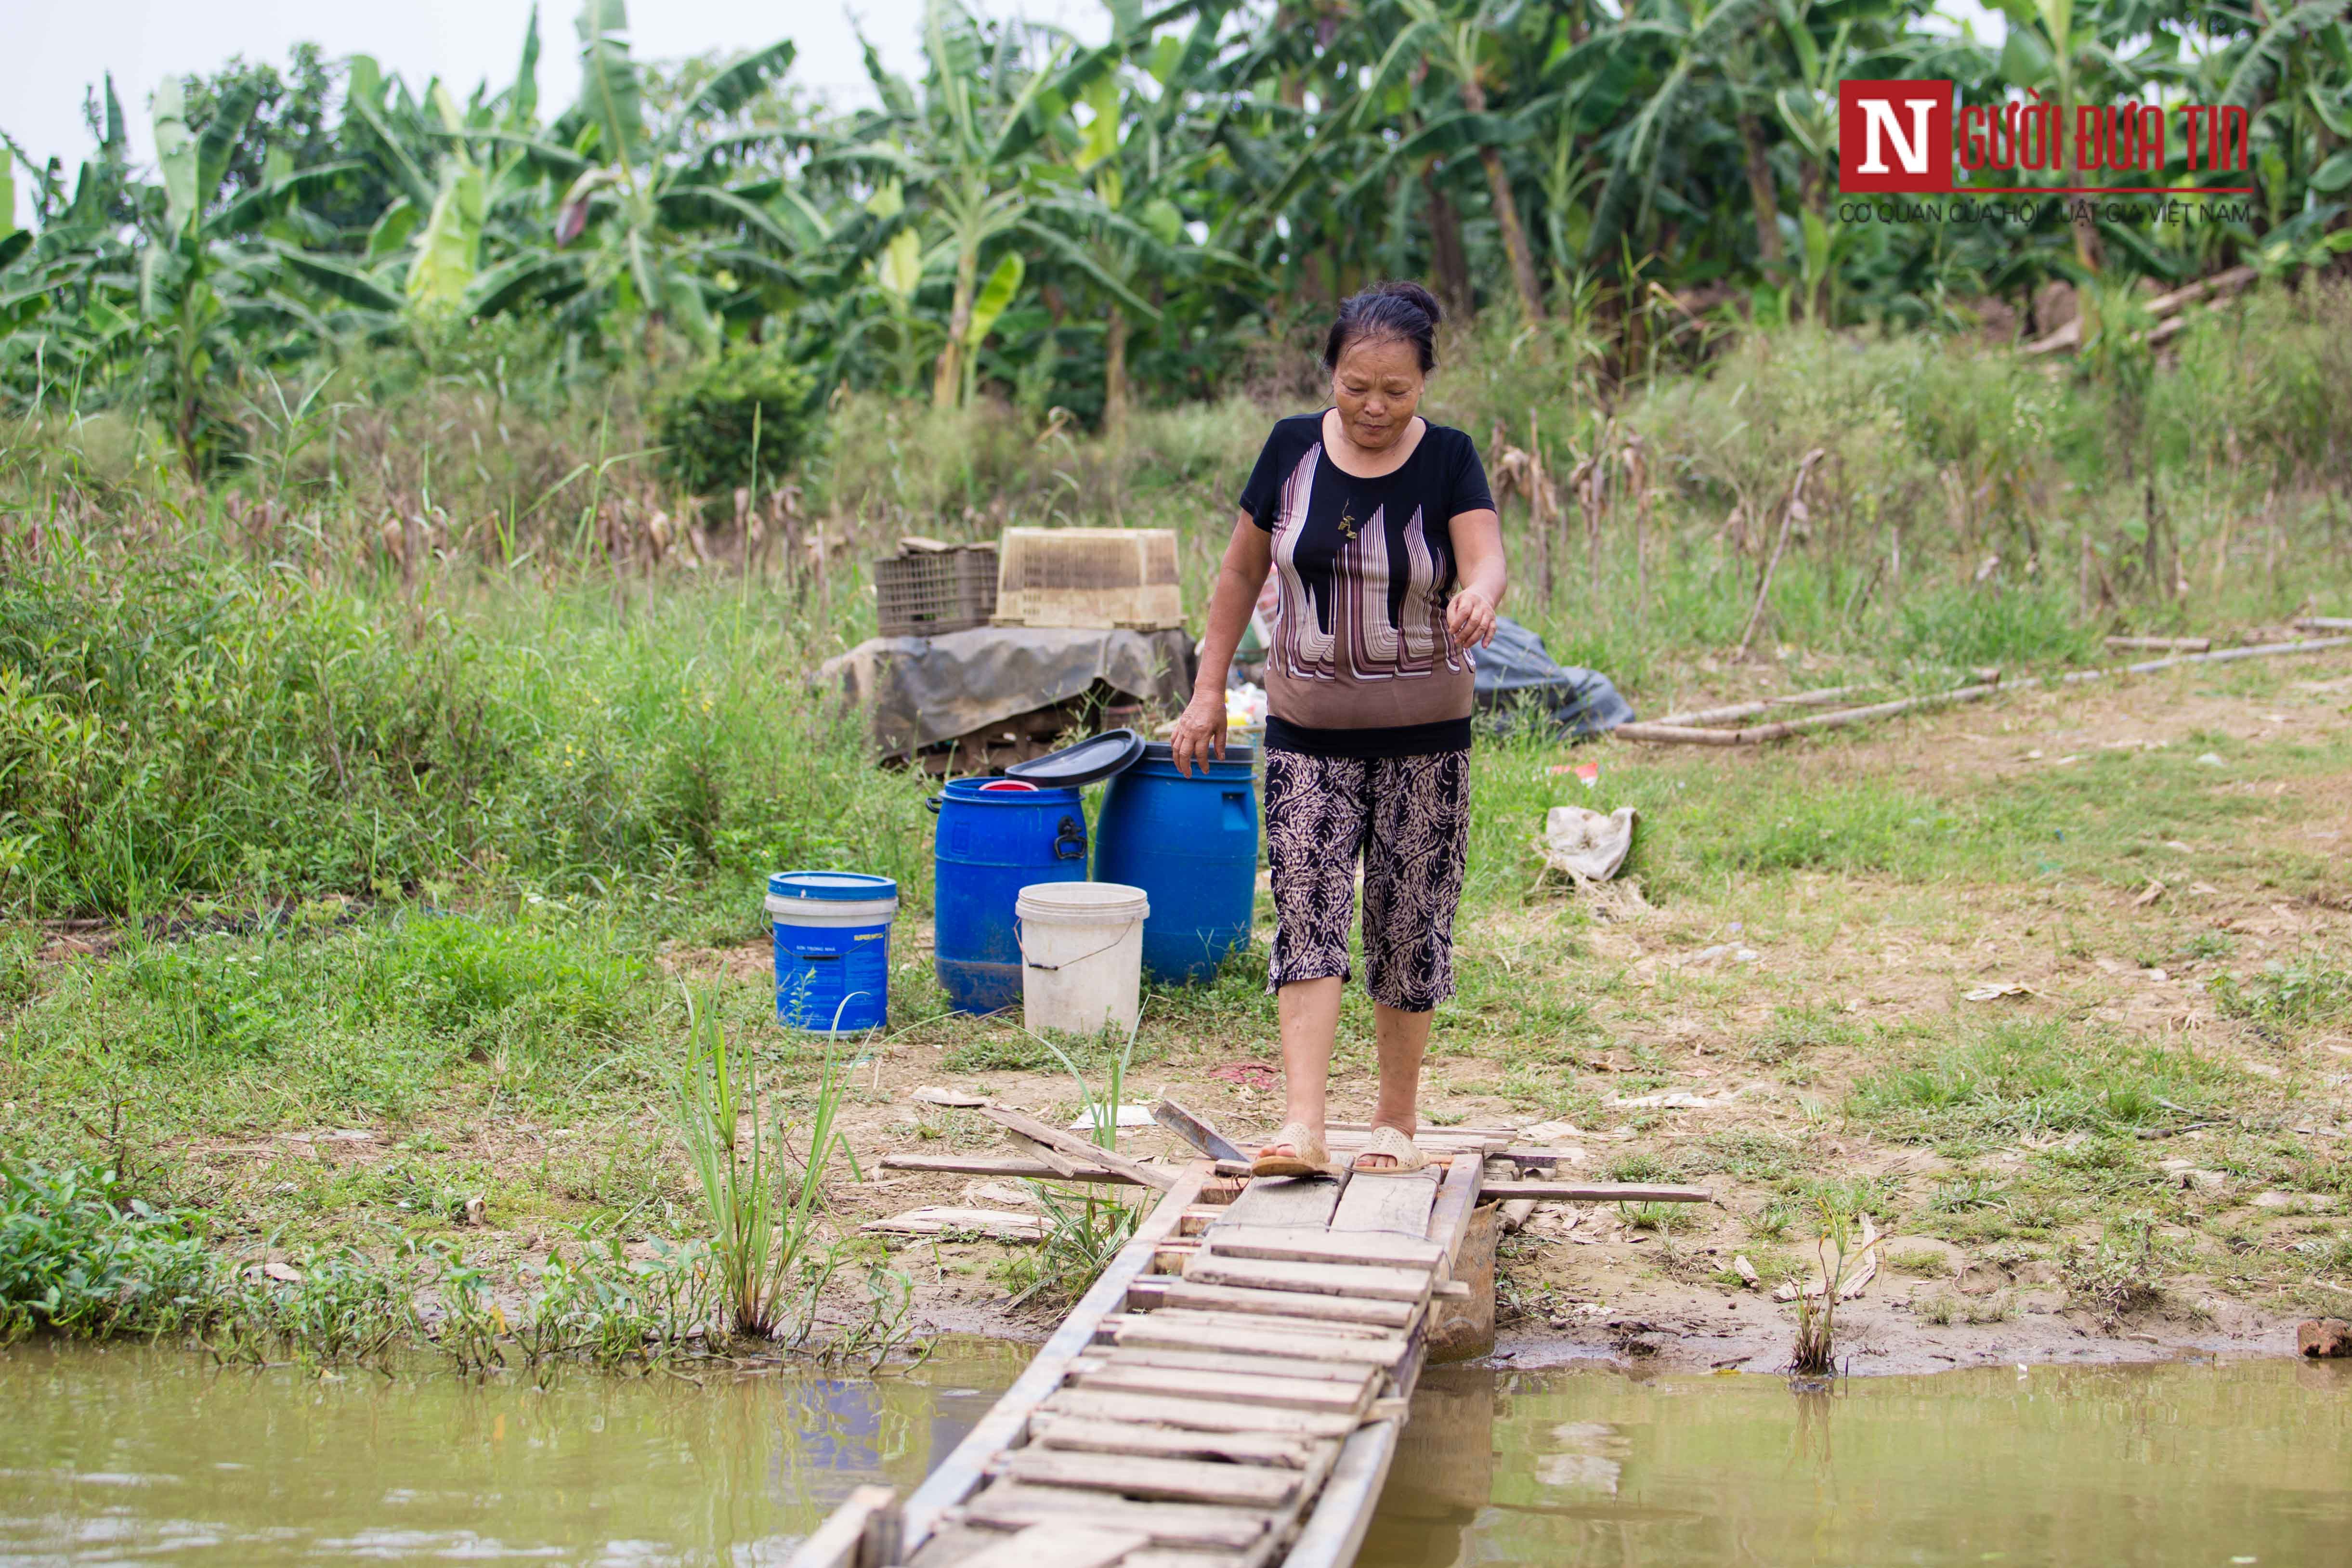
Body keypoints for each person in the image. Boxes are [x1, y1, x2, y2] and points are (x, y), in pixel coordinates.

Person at [1169, 280, 1505, 1177]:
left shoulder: (1451, 460)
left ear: (1425, 383)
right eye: (1357, 386)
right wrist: (1208, 691)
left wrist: (1477, 595)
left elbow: (1486, 556)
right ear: (1332, 373)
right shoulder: (1288, 451)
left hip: (1426, 743)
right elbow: (1239, 577)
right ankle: (1304, 1127)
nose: (1374, 407)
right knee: (1307, 914)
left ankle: (1395, 1122)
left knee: (1408, 923)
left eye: (1396, 391)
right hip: (1306, 735)